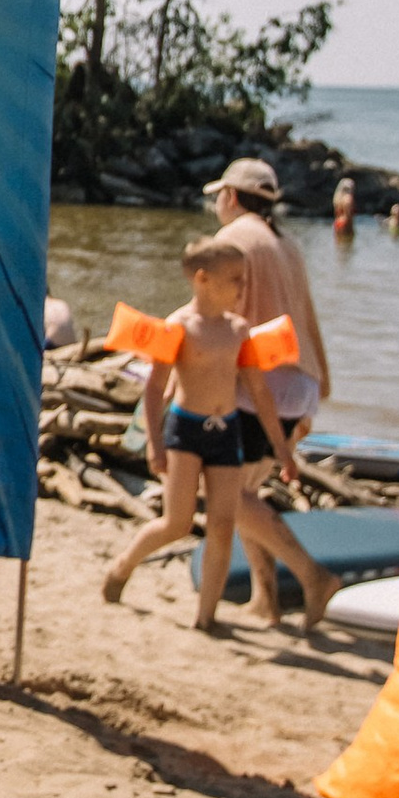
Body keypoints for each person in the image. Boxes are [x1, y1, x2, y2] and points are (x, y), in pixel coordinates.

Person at [101, 236, 338, 635]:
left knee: (223, 524)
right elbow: (155, 388)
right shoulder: (178, 326)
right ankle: (122, 566)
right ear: (202, 280)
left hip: (225, 431)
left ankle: (206, 616)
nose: (242, 289)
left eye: (243, 280)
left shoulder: (239, 330)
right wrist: (155, 444)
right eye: (235, 280)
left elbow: (260, 394)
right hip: (185, 430)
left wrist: (284, 451)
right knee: (176, 523)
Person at [209, 158, 333, 452]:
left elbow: (214, 317)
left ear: (232, 196)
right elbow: (308, 316)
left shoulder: (230, 238)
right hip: (302, 387)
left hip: (260, 388)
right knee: (249, 487)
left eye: (219, 195)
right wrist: (324, 381)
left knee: (229, 491)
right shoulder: (288, 243)